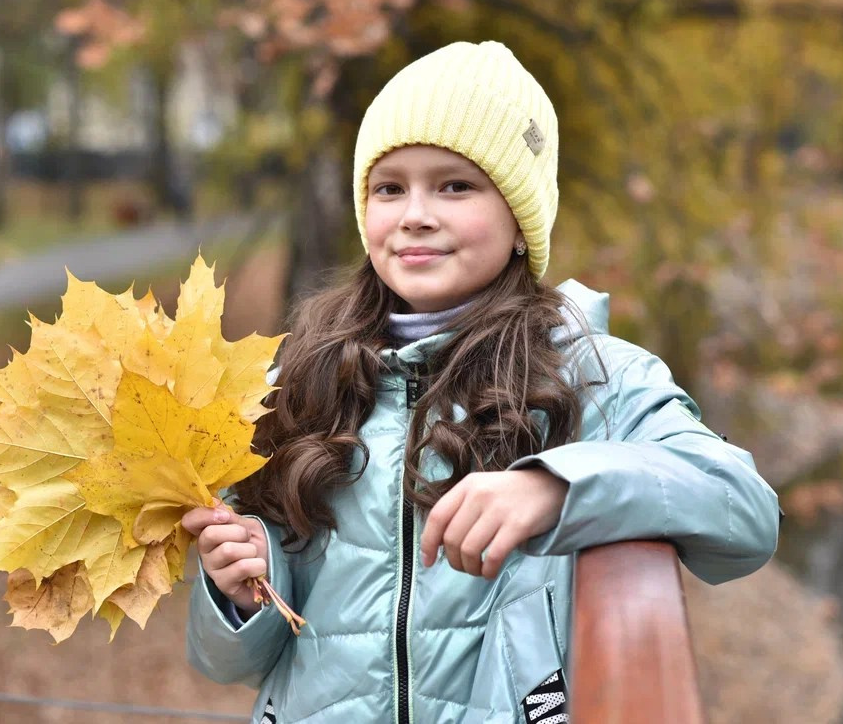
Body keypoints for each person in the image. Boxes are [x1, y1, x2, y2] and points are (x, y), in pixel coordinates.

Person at [181, 41, 780, 724]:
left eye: (455, 186)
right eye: (389, 187)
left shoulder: (592, 375)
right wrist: (241, 589)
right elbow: (225, 664)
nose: (415, 214)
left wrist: (556, 487)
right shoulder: (300, 380)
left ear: (521, 222)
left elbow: (746, 510)